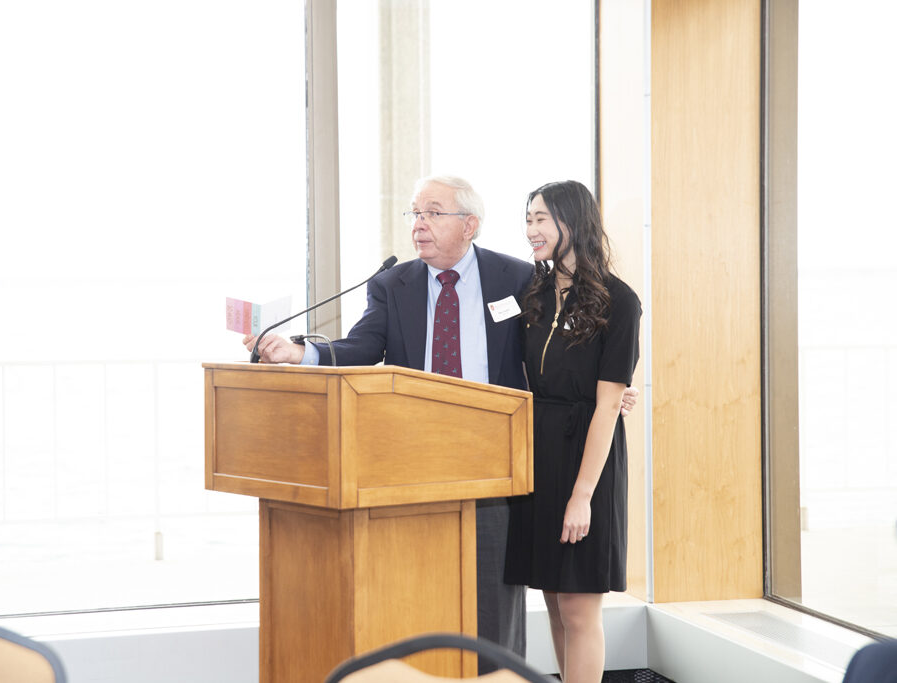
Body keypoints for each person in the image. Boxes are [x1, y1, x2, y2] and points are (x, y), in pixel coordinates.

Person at [244, 175, 637, 672]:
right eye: (414, 214)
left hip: (502, 460)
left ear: (468, 225)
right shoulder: (393, 284)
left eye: (432, 212)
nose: (418, 224)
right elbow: (363, 347)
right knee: (420, 591)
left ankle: (502, 679)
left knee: (501, 597)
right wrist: (301, 352)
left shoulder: (518, 279)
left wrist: (613, 389)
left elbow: (570, 348)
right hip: (418, 461)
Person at [504, 180, 641, 683]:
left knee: (581, 609)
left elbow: (607, 407)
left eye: (541, 218)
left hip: (588, 459)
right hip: (538, 452)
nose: (530, 230)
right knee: (555, 603)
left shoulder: (619, 301)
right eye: (528, 218)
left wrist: (583, 496)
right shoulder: (532, 294)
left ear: (572, 222)